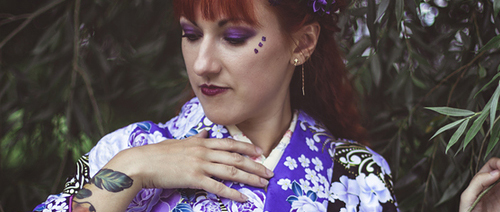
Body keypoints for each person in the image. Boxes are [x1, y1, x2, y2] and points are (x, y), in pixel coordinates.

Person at [33, 0, 398, 211]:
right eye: (191, 35)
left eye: (234, 37)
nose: (202, 63)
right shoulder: (127, 150)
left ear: (301, 44)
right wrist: (136, 167)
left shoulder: (358, 178)